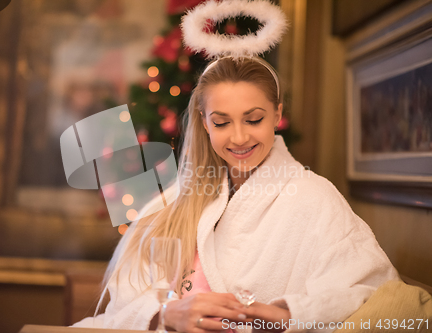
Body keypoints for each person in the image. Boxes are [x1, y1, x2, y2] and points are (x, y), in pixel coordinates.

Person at [72, 1, 400, 332]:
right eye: (222, 122)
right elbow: (123, 303)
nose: (239, 137)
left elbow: (374, 290)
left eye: (254, 119)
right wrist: (165, 315)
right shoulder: (168, 207)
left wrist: (293, 313)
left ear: (277, 114)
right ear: (204, 122)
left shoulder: (315, 199)